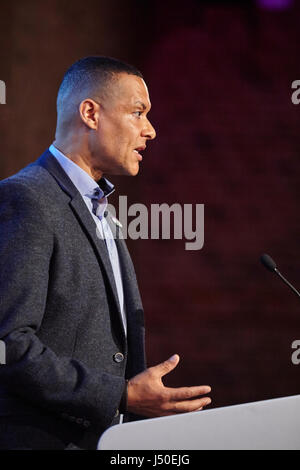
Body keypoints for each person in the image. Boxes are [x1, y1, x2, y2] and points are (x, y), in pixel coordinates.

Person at [0, 56, 211, 450]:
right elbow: (8, 343)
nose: (150, 129)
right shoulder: (27, 198)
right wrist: (121, 395)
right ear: (91, 113)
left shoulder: (105, 216)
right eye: (138, 112)